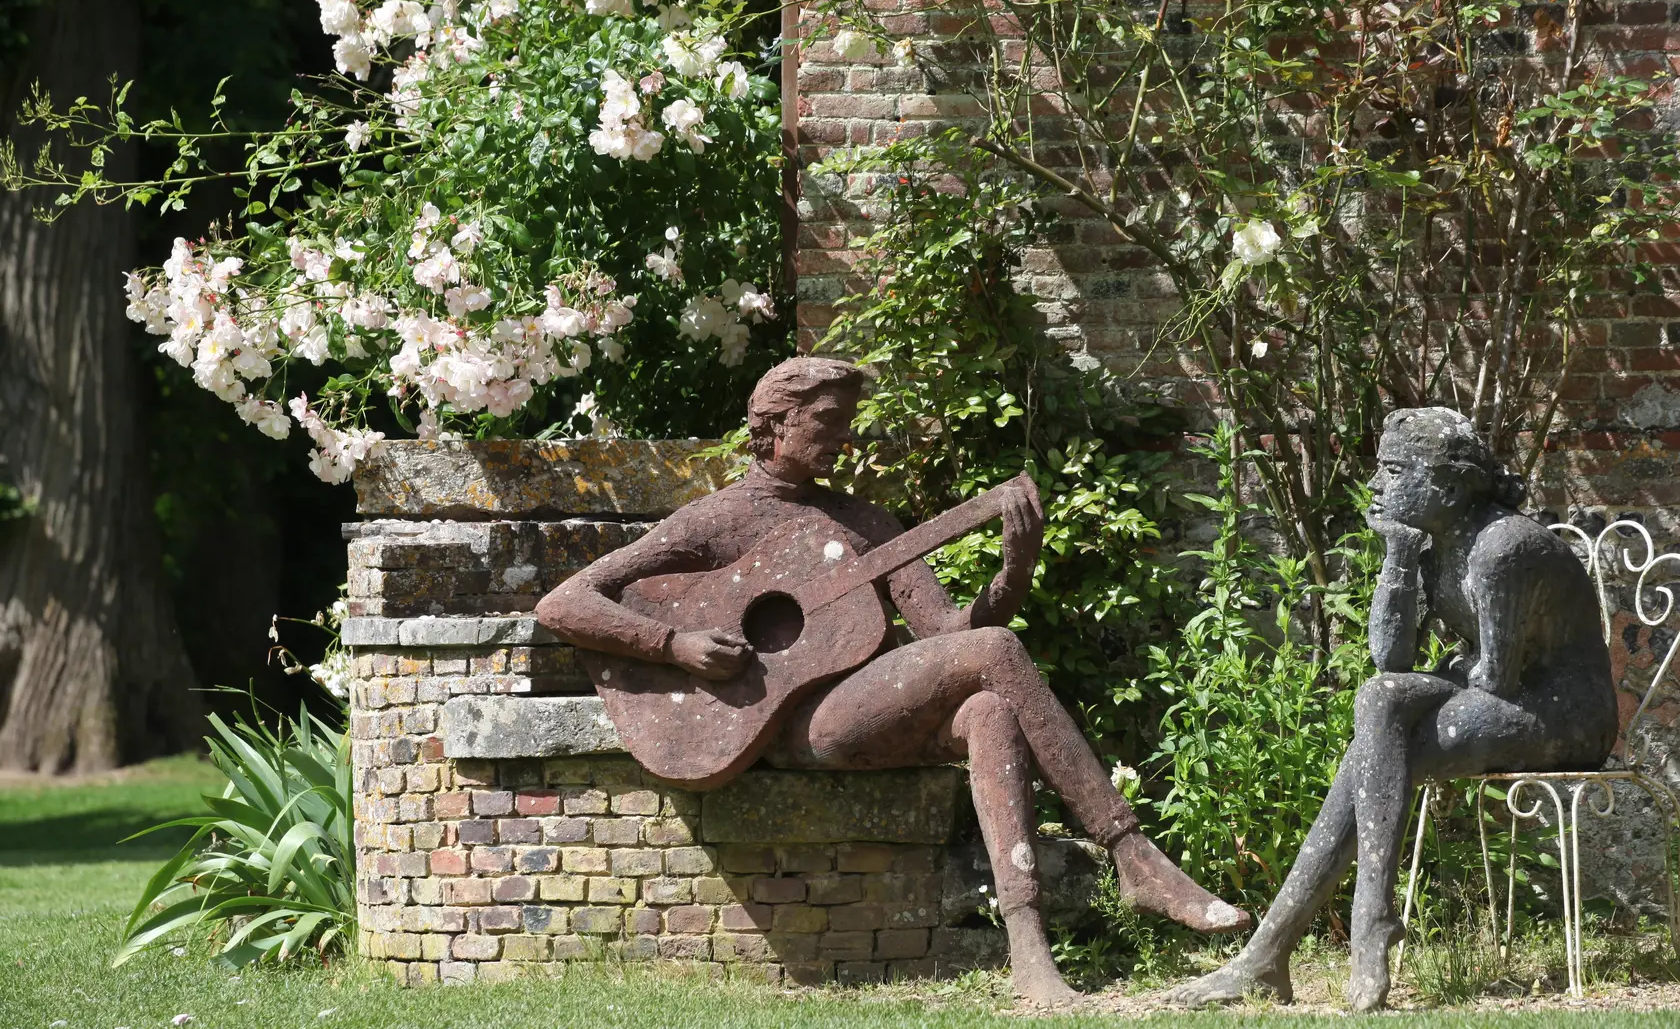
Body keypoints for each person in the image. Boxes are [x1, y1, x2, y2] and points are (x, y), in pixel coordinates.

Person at [537, 356, 1247, 1003]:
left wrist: (1015, 571)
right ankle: (1135, 857)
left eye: (848, 422)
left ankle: (1031, 952)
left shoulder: (867, 523)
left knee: (990, 710)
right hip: (777, 722)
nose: (843, 438)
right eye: (827, 422)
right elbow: (564, 602)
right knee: (996, 654)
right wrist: (675, 642)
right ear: (775, 424)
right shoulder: (722, 517)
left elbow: (949, 635)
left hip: (858, 709)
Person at [1169, 406, 1617, 1011]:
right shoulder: (1437, 545)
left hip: (1564, 717)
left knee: (1373, 756)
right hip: (1500, 698)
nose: (1377, 485)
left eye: (1394, 470)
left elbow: (1498, 681)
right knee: (1379, 704)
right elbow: (1390, 658)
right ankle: (1336, 933)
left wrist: (1452, 673)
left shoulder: (1502, 547)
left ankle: (1291, 946)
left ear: (1450, 486)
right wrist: (1399, 557)